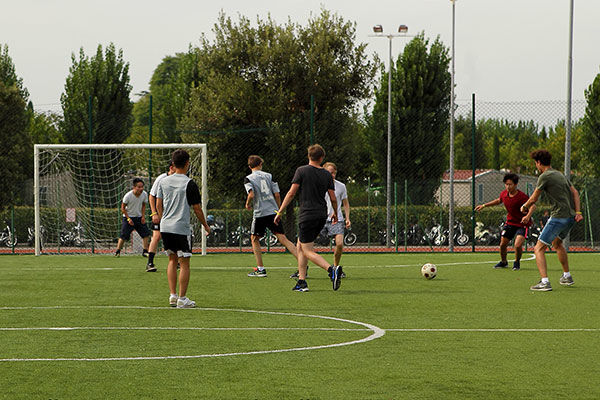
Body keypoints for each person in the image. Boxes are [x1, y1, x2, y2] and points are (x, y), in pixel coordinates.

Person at [274, 144, 343, 292]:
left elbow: (291, 193)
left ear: (308, 156)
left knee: (306, 250)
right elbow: (333, 197)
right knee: (300, 246)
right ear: (322, 158)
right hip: (322, 214)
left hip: (307, 214)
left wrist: (280, 212)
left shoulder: (302, 170)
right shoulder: (326, 174)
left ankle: (331, 270)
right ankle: (302, 281)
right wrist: (336, 213)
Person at [520, 149, 583, 292]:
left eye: (535, 163)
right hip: (570, 217)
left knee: (538, 248)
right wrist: (578, 212)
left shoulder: (545, 176)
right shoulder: (560, 174)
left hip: (558, 217)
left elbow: (535, 197)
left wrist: (524, 206)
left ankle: (544, 282)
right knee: (557, 243)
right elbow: (575, 192)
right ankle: (567, 276)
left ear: (538, 162)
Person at [156, 149, 210, 308]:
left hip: (165, 226)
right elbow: (197, 209)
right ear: (187, 163)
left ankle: (172, 295)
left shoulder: (163, 181)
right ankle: (182, 298)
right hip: (181, 227)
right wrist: (205, 226)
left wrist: (163, 219)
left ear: (172, 164)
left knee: (172, 260)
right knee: (184, 262)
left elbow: (159, 204)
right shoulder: (189, 183)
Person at [290, 162, 350, 279]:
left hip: (334, 218)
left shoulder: (341, 186)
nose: (331, 175)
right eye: (329, 172)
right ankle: (302, 271)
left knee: (339, 244)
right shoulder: (319, 183)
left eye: (333, 173)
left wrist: (346, 217)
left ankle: (335, 268)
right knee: (301, 246)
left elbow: (344, 203)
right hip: (321, 217)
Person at [244, 155, 298, 277]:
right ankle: (302, 265)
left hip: (260, 213)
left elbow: (251, 194)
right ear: (260, 164)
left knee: (254, 239)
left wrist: (247, 204)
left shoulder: (249, 178)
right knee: (283, 239)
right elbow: (277, 194)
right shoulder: (269, 176)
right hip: (272, 212)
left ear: (250, 166)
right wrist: (278, 210)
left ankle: (260, 269)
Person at [475, 173, 535, 271]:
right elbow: (498, 200)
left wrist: (528, 216)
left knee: (518, 245)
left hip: (522, 224)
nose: (508, 186)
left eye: (510, 184)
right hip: (510, 223)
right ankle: (504, 262)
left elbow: (533, 206)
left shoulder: (521, 196)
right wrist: (484, 205)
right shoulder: (504, 194)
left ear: (515, 185)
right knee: (503, 244)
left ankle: (516, 262)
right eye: (506, 184)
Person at [145, 161, 176, 272]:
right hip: (160, 214)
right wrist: (154, 213)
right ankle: (150, 263)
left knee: (173, 236)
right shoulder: (161, 178)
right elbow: (152, 196)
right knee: (157, 236)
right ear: (171, 167)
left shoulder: (179, 179)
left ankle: (175, 262)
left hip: (172, 214)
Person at [115, 177, 151, 257]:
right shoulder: (128, 196)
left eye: (142, 187)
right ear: (134, 187)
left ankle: (145, 251)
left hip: (139, 217)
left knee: (146, 234)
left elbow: (144, 205)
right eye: (139, 187)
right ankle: (118, 251)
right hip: (128, 217)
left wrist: (143, 216)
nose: (141, 189)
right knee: (123, 235)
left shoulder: (144, 194)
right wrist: (128, 218)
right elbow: (123, 208)